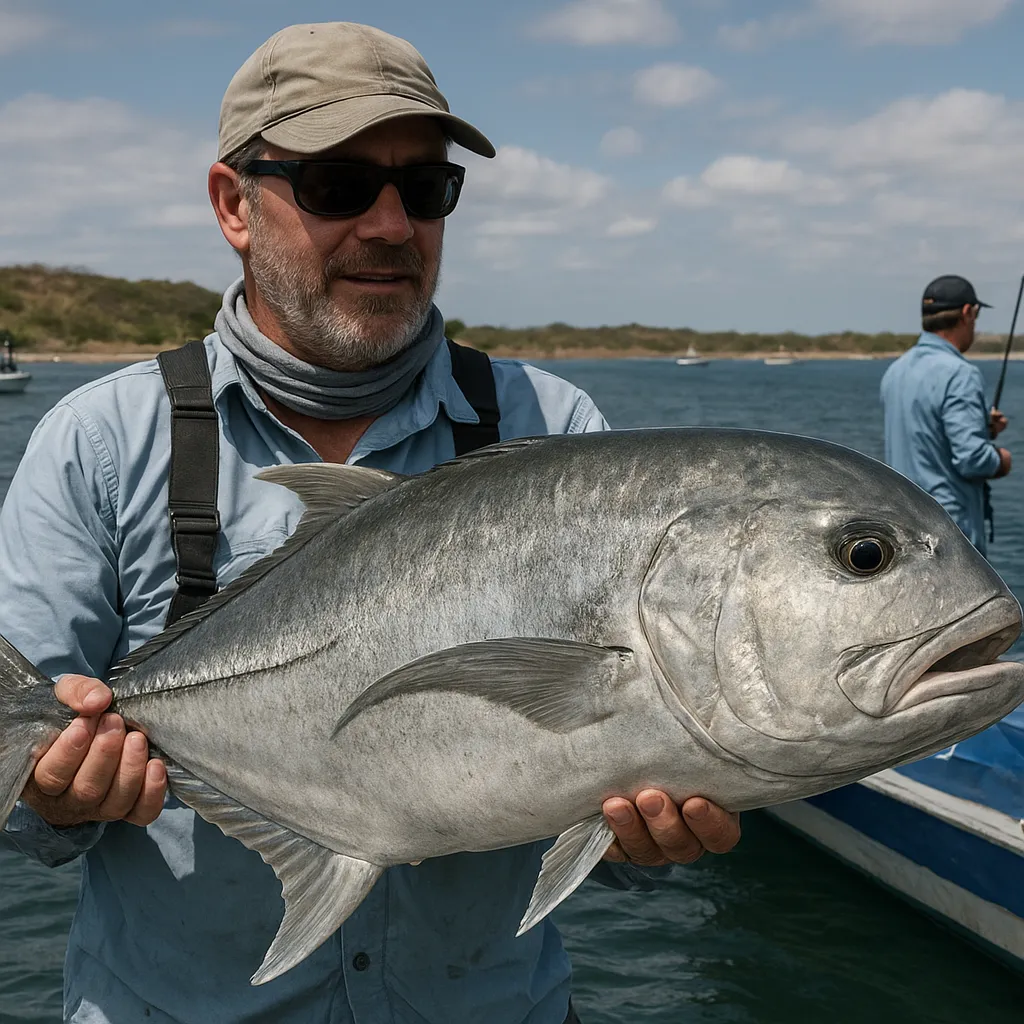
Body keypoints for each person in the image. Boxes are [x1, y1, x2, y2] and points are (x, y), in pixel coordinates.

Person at [0, 22, 740, 1024]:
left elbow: (597, 825)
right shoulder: (101, 440)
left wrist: (643, 838)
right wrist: (53, 795)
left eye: (426, 189)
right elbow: (23, 785)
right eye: (337, 186)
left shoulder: (555, 433)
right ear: (233, 204)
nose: (392, 224)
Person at [881, 274, 1011, 556]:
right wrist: (1001, 460)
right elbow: (972, 460)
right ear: (967, 313)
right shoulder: (960, 374)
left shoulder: (896, 371)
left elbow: (923, 432)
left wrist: (981, 425)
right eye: (975, 315)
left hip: (903, 525)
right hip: (950, 536)